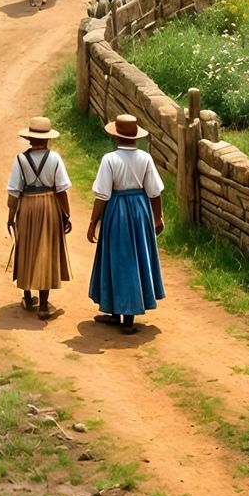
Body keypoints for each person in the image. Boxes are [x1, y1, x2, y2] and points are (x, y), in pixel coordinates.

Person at [87, 113, 165, 334]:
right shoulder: (145, 159)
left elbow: (102, 195)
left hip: (117, 210)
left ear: (116, 137)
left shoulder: (110, 160)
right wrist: (158, 217)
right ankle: (126, 316)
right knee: (136, 258)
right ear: (135, 137)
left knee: (117, 258)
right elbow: (154, 192)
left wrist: (93, 222)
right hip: (140, 210)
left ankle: (119, 312)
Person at [6, 116, 72, 319]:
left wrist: (11, 216)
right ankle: (43, 306)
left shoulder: (20, 159)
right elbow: (61, 190)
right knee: (46, 250)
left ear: (29, 139)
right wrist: (66, 214)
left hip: (27, 205)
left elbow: (14, 191)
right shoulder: (55, 159)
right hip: (50, 205)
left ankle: (27, 296)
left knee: (26, 247)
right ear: (47, 139)